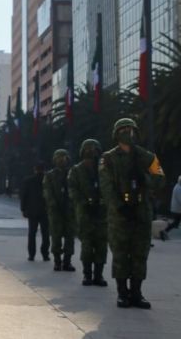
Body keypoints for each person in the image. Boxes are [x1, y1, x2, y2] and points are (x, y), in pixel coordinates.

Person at [100, 118, 165, 309]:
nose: (128, 132)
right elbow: (106, 185)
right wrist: (119, 205)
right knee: (120, 254)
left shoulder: (146, 156)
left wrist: (145, 178)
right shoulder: (108, 158)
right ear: (116, 133)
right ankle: (122, 293)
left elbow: (160, 179)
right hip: (119, 215)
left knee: (139, 254)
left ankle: (136, 293)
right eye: (124, 129)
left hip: (141, 212)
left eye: (131, 129)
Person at [68, 139, 108, 286]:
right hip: (85, 212)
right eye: (88, 150)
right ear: (83, 152)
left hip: (102, 213)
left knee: (101, 245)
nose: (91, 153)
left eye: (94, 150)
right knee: (87, 245)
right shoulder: (76, 170)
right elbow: (72, 189)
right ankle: (87, 275)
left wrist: (106, 200)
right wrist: (83, 201)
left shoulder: (104, 169)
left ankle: (99, 275)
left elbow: (111, 186)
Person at [43, 149, 76, 272]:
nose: (62, 161)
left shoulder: (72, 173)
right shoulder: (50, 175)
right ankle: (57, 261)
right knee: (56, 237)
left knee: (69, 237)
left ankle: (67, 261)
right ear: (55, 160)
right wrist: (53, 204)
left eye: (64, 158)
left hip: (69, 210)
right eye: (59, 158)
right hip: (55, 210)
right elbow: (47, 191)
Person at [20, 163, 50, 262]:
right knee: (45, 233)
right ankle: (45, 254)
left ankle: (31, 255)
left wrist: (23, 209)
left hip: (32, 211)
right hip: (45, 211)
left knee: (32, 233)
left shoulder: (28, 181)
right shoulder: (48, 180)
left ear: (34, 169)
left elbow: (24, 196)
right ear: (44, 169)